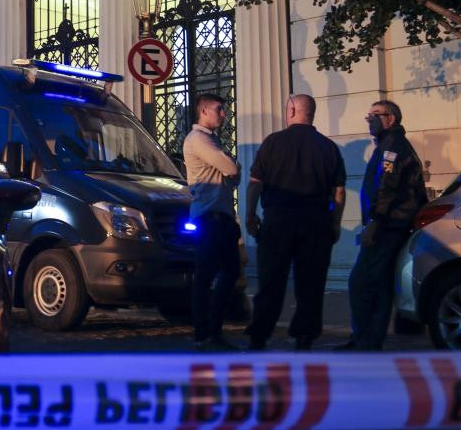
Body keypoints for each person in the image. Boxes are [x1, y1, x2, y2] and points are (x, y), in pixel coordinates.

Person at [243, 94, 346, 351]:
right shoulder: (328, 147)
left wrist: (250, 215)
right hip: (316, 223)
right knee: (311, 284)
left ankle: (260, 334)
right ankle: (304, 336)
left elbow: (255, 184)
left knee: (270, 282)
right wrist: (334, 223)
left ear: (291, 110)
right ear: (312, 113)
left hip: (278, 221)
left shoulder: (273, 143)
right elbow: (339, 193)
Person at [338, 100, 427, 351]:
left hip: (388, 226)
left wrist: (374, 224)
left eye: (377, 115)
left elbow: (386, 189)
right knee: (380, 284)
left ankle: (364, 339)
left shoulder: (392, 147)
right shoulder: (387, 144)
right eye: (369, 115)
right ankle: (369, 340)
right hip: (389, 224)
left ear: (392, 119)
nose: (370, 119)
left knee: (361, 282)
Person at [182, 93, 241, 351]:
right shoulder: (198, 140)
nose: (224, 114)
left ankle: (211, 330)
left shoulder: (212, 140)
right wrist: (231, 166)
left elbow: (233, 174)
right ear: (204, 111)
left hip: (221, 216)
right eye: (219, 109)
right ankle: (205, 332)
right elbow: (232, 169)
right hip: (210, 218)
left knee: (226, 273)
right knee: (208, 276)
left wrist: (231, 167)